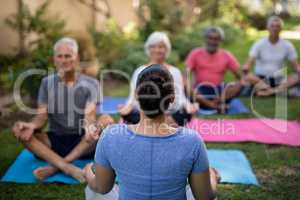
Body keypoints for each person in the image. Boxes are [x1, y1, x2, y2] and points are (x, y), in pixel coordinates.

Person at [84, 64, 219, 200]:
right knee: (201, 187)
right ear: (172, 98)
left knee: (92, 188)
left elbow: (101, 187)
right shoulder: (192, 140)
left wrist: (88, 171)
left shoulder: (110, 135)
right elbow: (204, 197)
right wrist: (212, 175)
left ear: (136, 95)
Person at [12, 37, 114, 182]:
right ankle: (69, 168)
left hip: (85, 141)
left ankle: (56, 166)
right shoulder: (46, 83)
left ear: (76, 58)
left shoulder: (92, 83)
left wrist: (89, 128)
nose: (64, 60)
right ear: (54, 59)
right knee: (20, 131)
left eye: (68, 56)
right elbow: (41, 117)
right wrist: (32, 125)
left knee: (107, 119)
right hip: (55, 142)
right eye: (60, 56)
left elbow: (89, 115)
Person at [118, 32, 198, 126]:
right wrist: (128, 106)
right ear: (148, 49)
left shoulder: (175, 71)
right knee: (128, 114)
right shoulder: (139, 71)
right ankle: (162, 124)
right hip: (145, 114)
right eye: (153, 46)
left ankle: (159, 123)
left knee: (186, 113)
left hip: (170, 113)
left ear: (167, 49)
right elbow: (133, 97)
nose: (157, 50)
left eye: (161, 47)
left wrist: (187, 106)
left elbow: (180, 97)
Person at [185, 26, 244, 113]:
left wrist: (232, 89)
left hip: (219, 91)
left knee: (241, 84)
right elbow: (185, 74)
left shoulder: (226, 55)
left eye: (216, 39)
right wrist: (188, 85)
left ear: (220, 41)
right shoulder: (195, 53)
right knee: (187, 87)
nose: (213, 41)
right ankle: (214, 106)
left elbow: (240, 76)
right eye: (210, 38)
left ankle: (214, 105)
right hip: (200, 90)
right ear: (206, 39)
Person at [243, 15, 300, 96]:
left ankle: (269, 92)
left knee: (297, 77)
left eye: (277, 26)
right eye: (272, 26)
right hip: (260, 79)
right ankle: (276, 91)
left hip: (279, 79)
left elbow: (295, 66)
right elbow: (249, 62)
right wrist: (246, 68)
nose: (275, 28)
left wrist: (298, 70)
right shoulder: (259, 43)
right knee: (247, 76)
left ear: (281, 28)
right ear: (267, 28)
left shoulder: (288, 45)